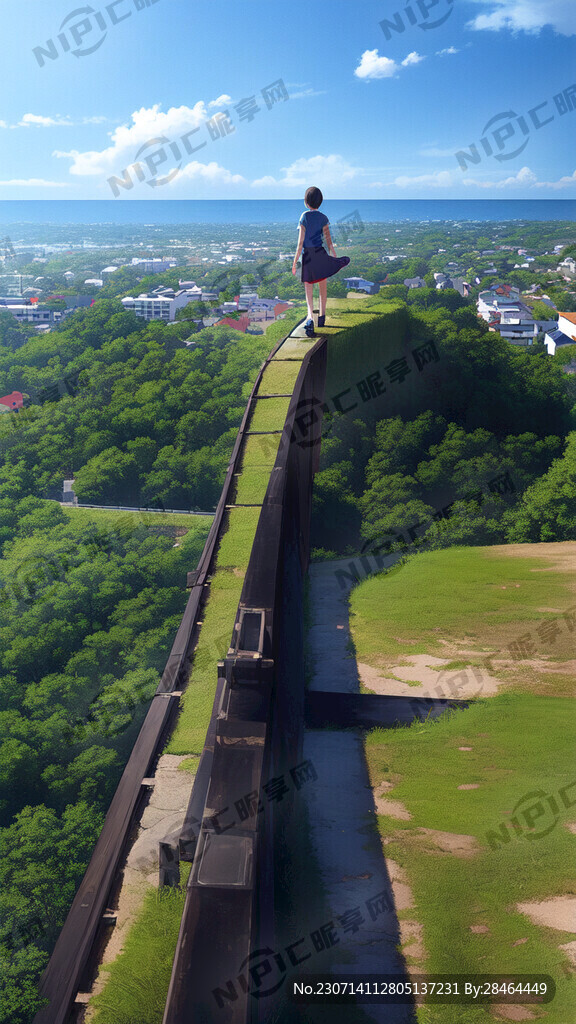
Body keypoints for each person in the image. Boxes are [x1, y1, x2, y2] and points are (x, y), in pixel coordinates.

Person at [292, 186, 350, 337]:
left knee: (308, 290)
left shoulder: (304, 216)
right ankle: (322, 317)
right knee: (322, 287)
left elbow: (300, 243)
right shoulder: (323, 217)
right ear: (320, 201)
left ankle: (310, 317)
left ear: (306, 201)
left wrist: (294, 262)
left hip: (308, 257)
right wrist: (334, 255)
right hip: (321, 254)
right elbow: (329, 241)